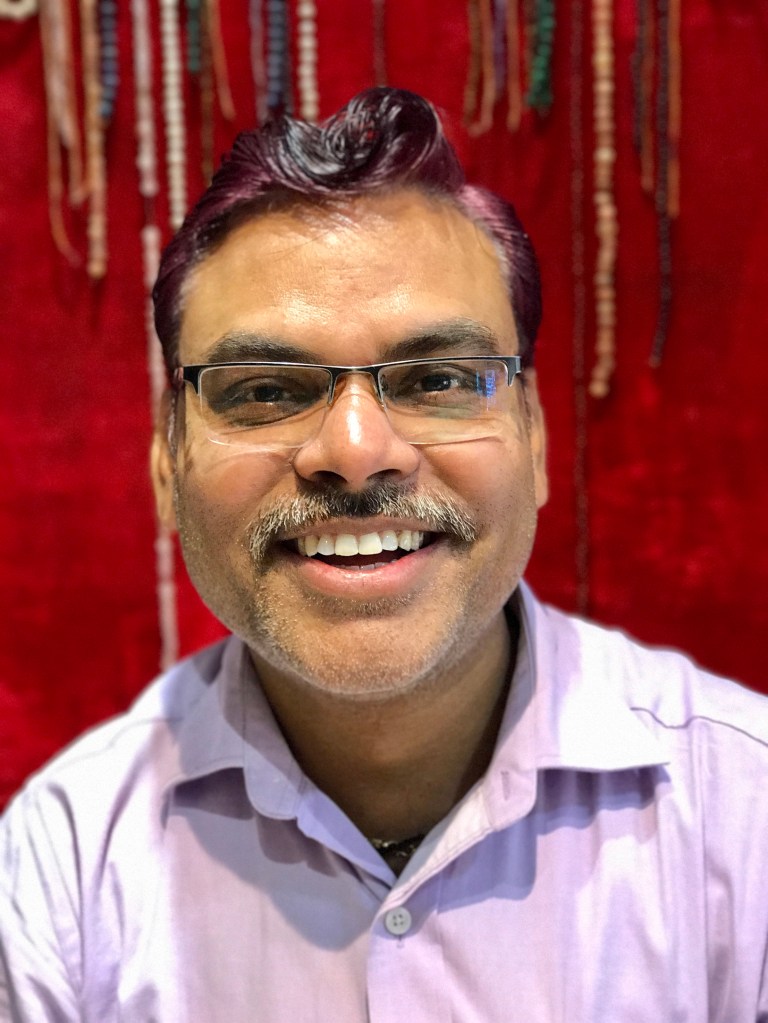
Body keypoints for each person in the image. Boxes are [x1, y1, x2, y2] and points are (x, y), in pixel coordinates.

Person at [1, 87, 767, 1022]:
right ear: (168, 463)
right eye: (265, 389)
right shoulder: (62, 871)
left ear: (533, 437)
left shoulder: (745, 815)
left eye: (438, 378)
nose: (358, 451)